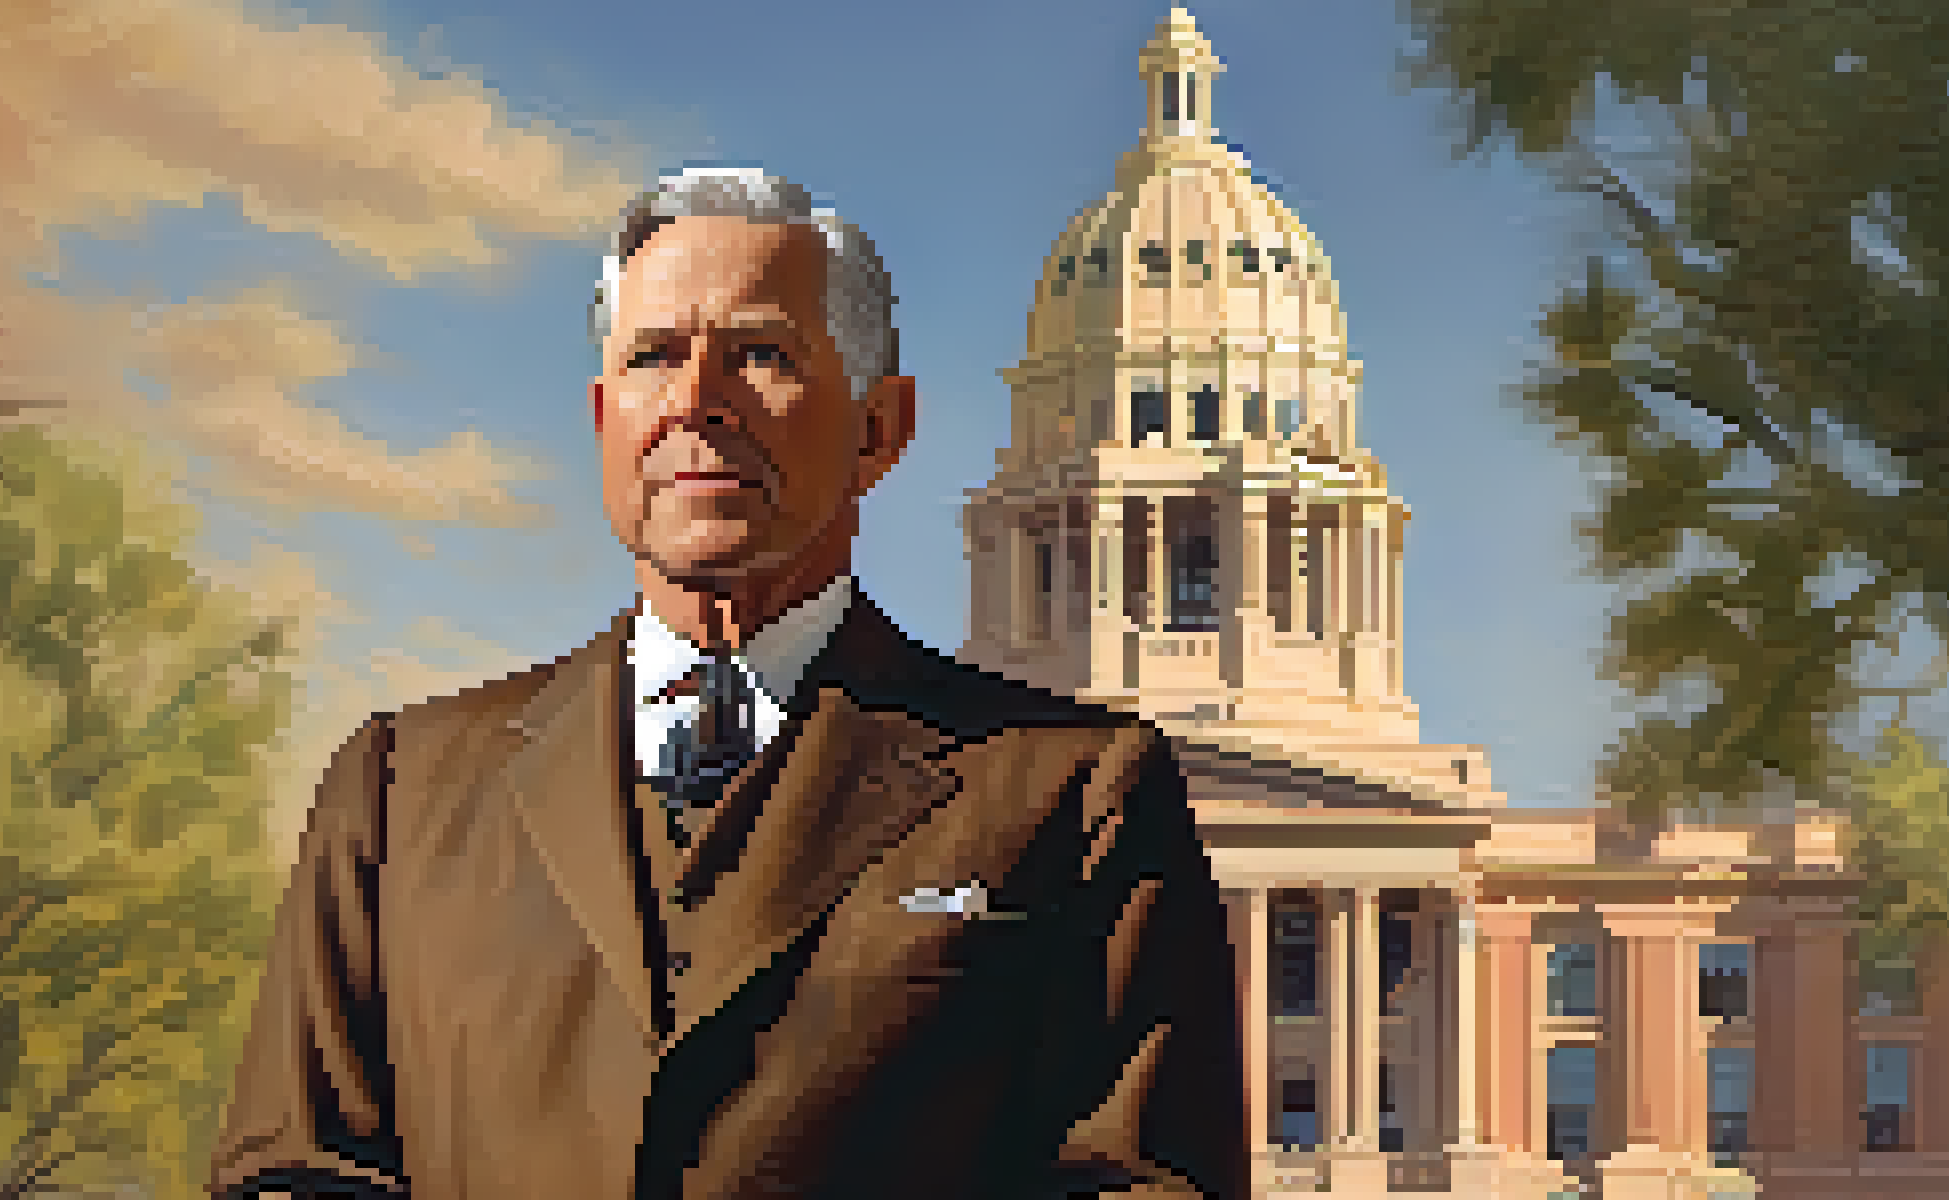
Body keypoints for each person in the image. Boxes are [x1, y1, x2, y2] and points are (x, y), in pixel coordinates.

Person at [205, 166, 1248, 1200]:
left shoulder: (1076, 796)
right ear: (603, 416)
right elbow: (295, 1174)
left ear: (880, 428)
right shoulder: (398, 791)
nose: (698, 404)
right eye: (654, 358)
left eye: (760, 355)